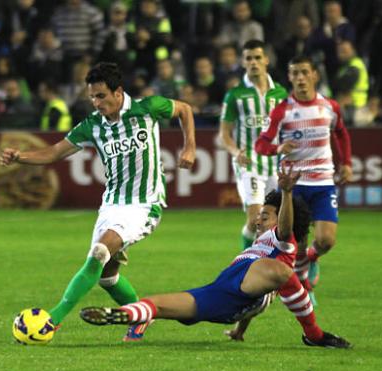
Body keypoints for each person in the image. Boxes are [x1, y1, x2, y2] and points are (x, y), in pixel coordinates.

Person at [0, 62, 195, 341]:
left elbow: (185, 110)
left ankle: (52, 320)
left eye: (101, 96)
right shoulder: (92, 126)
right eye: (92, 97)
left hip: (144, 204)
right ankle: (141, 316)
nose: (96, 102)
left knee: (99, 252)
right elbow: (56, 152)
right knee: (107, 276)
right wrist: (21, 156)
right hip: (112, 204)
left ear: (118, 92)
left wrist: (189, 146)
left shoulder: (148, 107)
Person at [80, 167, 351, 348]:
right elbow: (256, 295)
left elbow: (285, 231)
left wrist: (288, 193)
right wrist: (240, 330)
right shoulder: (262, 247)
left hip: (250, 283)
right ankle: (122, 315)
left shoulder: (283, 242)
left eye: (265, 215)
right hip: (223, 295)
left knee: (280, 273)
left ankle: (313, 335)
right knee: (156, 304)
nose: (258, 219)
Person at [255, 55, 352, 302]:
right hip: (292, 187)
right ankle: (304, 289)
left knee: (326, 240)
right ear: (289, 78)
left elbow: (340, 134)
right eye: (294, 73)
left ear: (314, 75)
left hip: (322, 183)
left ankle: (312, 258)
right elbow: (261, 144)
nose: (299, 78)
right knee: (294, 243)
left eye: (304, 72)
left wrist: (347, 163)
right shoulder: (282, 110)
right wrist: (277, 149)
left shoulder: (330, 107)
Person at [219, 40, 289, 250]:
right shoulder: (235, 95)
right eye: (249, 58)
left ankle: (266, 261)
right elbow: (225, 133)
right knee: (256, 218)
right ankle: (246, 261)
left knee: (273, 221)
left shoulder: (281, 94)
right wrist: (235, 151)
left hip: (275, 164)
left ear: (266, 60)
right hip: (249, 162)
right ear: (243, 62)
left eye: (257, 57)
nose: (253, 62)